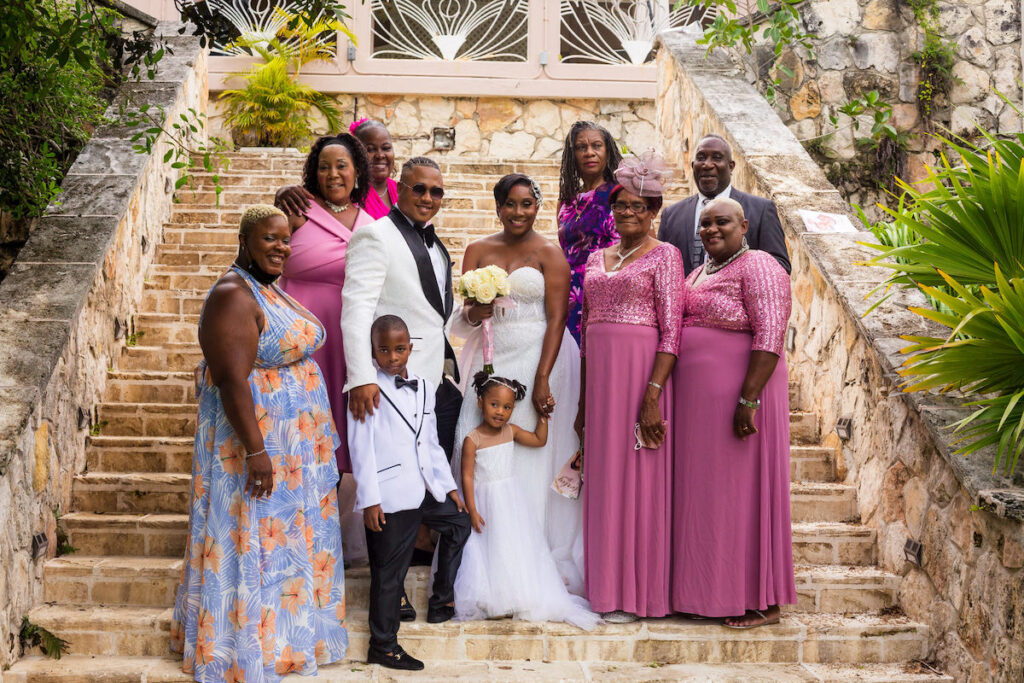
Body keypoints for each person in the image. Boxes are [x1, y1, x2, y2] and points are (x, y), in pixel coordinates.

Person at [170, 206, 347, 682]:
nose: (280, 247)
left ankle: (285, 640)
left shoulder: (268, 290)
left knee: (285, 544)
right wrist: (257, 451)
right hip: (257, 447)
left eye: (286, 240)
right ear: (245, 239)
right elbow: (231, 381)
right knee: (255, 541)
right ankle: (246, 648)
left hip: (293, 449)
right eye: (269, 239)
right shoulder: (232, 294)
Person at [452, 173, 584, 592]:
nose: (518, 212)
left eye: (527, 203)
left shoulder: (550, 253)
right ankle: (483, 546)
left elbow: (558, 318)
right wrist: (478, 312)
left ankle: (532, 552)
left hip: (538, 358)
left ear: (537, 207)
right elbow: (465, 315)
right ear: (497, 206)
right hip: (489, 358)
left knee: (528, 453)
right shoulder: (477, 249)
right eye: (510, 203)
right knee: (474, 439)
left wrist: (542, 378)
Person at [670, 197, 796, 628]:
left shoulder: (759, 263)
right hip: (698, 410)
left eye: (721, 222)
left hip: (742, 397)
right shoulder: (700, 270)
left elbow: (771, 332)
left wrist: (748, 398)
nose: (711, 230)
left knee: (744, 494)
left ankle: (763, 600)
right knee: (709, 496)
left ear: (744, 225)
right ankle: (706, 592)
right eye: (704, 225)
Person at [574, 153, 683, 623]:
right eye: (621, 206)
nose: (628, 213)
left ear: (654, 210)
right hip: (599, 378)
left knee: (639, 482)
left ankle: (637, 593)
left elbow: (672, 332)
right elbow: (586, 331)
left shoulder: (666, 256)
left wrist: (652, 396)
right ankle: (605, 589)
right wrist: (582, 401)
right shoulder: (598, 258)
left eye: (639, 206)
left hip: (642, 377)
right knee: (604, 481)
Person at [347, 315, 471, 671]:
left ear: (410, 348)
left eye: (399, 349)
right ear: (372, 351)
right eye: (383, 350)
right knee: (388, 574)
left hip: (425, 487)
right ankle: (383, 646)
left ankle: (441, 600)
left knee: (458, 523)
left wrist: (447, 486)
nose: (392, 356)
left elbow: (429, 441)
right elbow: (361, 447)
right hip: (389, 494)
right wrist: (370, 498)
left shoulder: (424, 385)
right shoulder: (363, 387)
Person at [453, 372, 598, 629]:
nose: (500, 411)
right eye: (494, 404)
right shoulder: (472, 440)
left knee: (510, 546)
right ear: (480, 403)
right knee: (488, 547)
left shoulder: (510, 432)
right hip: (485, 501)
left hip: (509, 501)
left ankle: (515, 595)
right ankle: (493, 599)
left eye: (507, 407)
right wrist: (472, 510)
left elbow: (538, 440)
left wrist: (543, 417)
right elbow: (466, 476)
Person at [341, 156, 462, 459]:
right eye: (419, 188)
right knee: (400, 478)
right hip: (395, 382)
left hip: (438, 380)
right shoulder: (375, 235)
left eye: (436, 192)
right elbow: (357, 310)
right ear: (400, 188)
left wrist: (471, 315)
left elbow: (434, 311)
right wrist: (361, 378)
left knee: (438, 474)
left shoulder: (435, 244)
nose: (427, 198)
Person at [277, 133, 373, 475]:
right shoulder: (297, 211)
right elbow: (261, 256)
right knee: (299, 432)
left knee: (339, 437)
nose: (333, 174)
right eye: (324, 167)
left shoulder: (371, 224)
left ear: (357, 172)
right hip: (300, 335)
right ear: (313, 175)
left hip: (347, 339)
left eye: (341, 166)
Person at [657, 133, 790, 276]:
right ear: (692, 166)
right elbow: (659, 268)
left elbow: (779, 266)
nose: (707, 164)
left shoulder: (761, 210)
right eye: (701, 158)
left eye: (717, 158)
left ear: (731, 166)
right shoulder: (671, 215)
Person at [557, 121, 624, 345]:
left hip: (610, 292)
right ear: (572, 154)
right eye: (581, 147)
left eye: (597, 146)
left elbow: (646, 245)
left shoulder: (620, 194)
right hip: (571, 296)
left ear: (607, 151)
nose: (589, 153)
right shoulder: (566, 200)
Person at [275, 119, 398, 221]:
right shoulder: (344, 193)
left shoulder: (401, 191)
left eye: (386, 148)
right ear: (357, 157)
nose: (380, 155)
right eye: (370, 149)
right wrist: (283, 193)